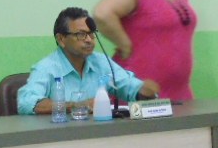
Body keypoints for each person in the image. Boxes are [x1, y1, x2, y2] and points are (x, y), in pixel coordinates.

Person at [17, 7, 160, 115]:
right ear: (61, 39)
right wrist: (75, 106)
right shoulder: (47, 68)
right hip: (59, 139)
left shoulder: (101, 62)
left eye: (91, 34)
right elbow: (26, 103)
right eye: (81, 34)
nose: (89, 40)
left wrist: (144, 91)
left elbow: (129, 87)